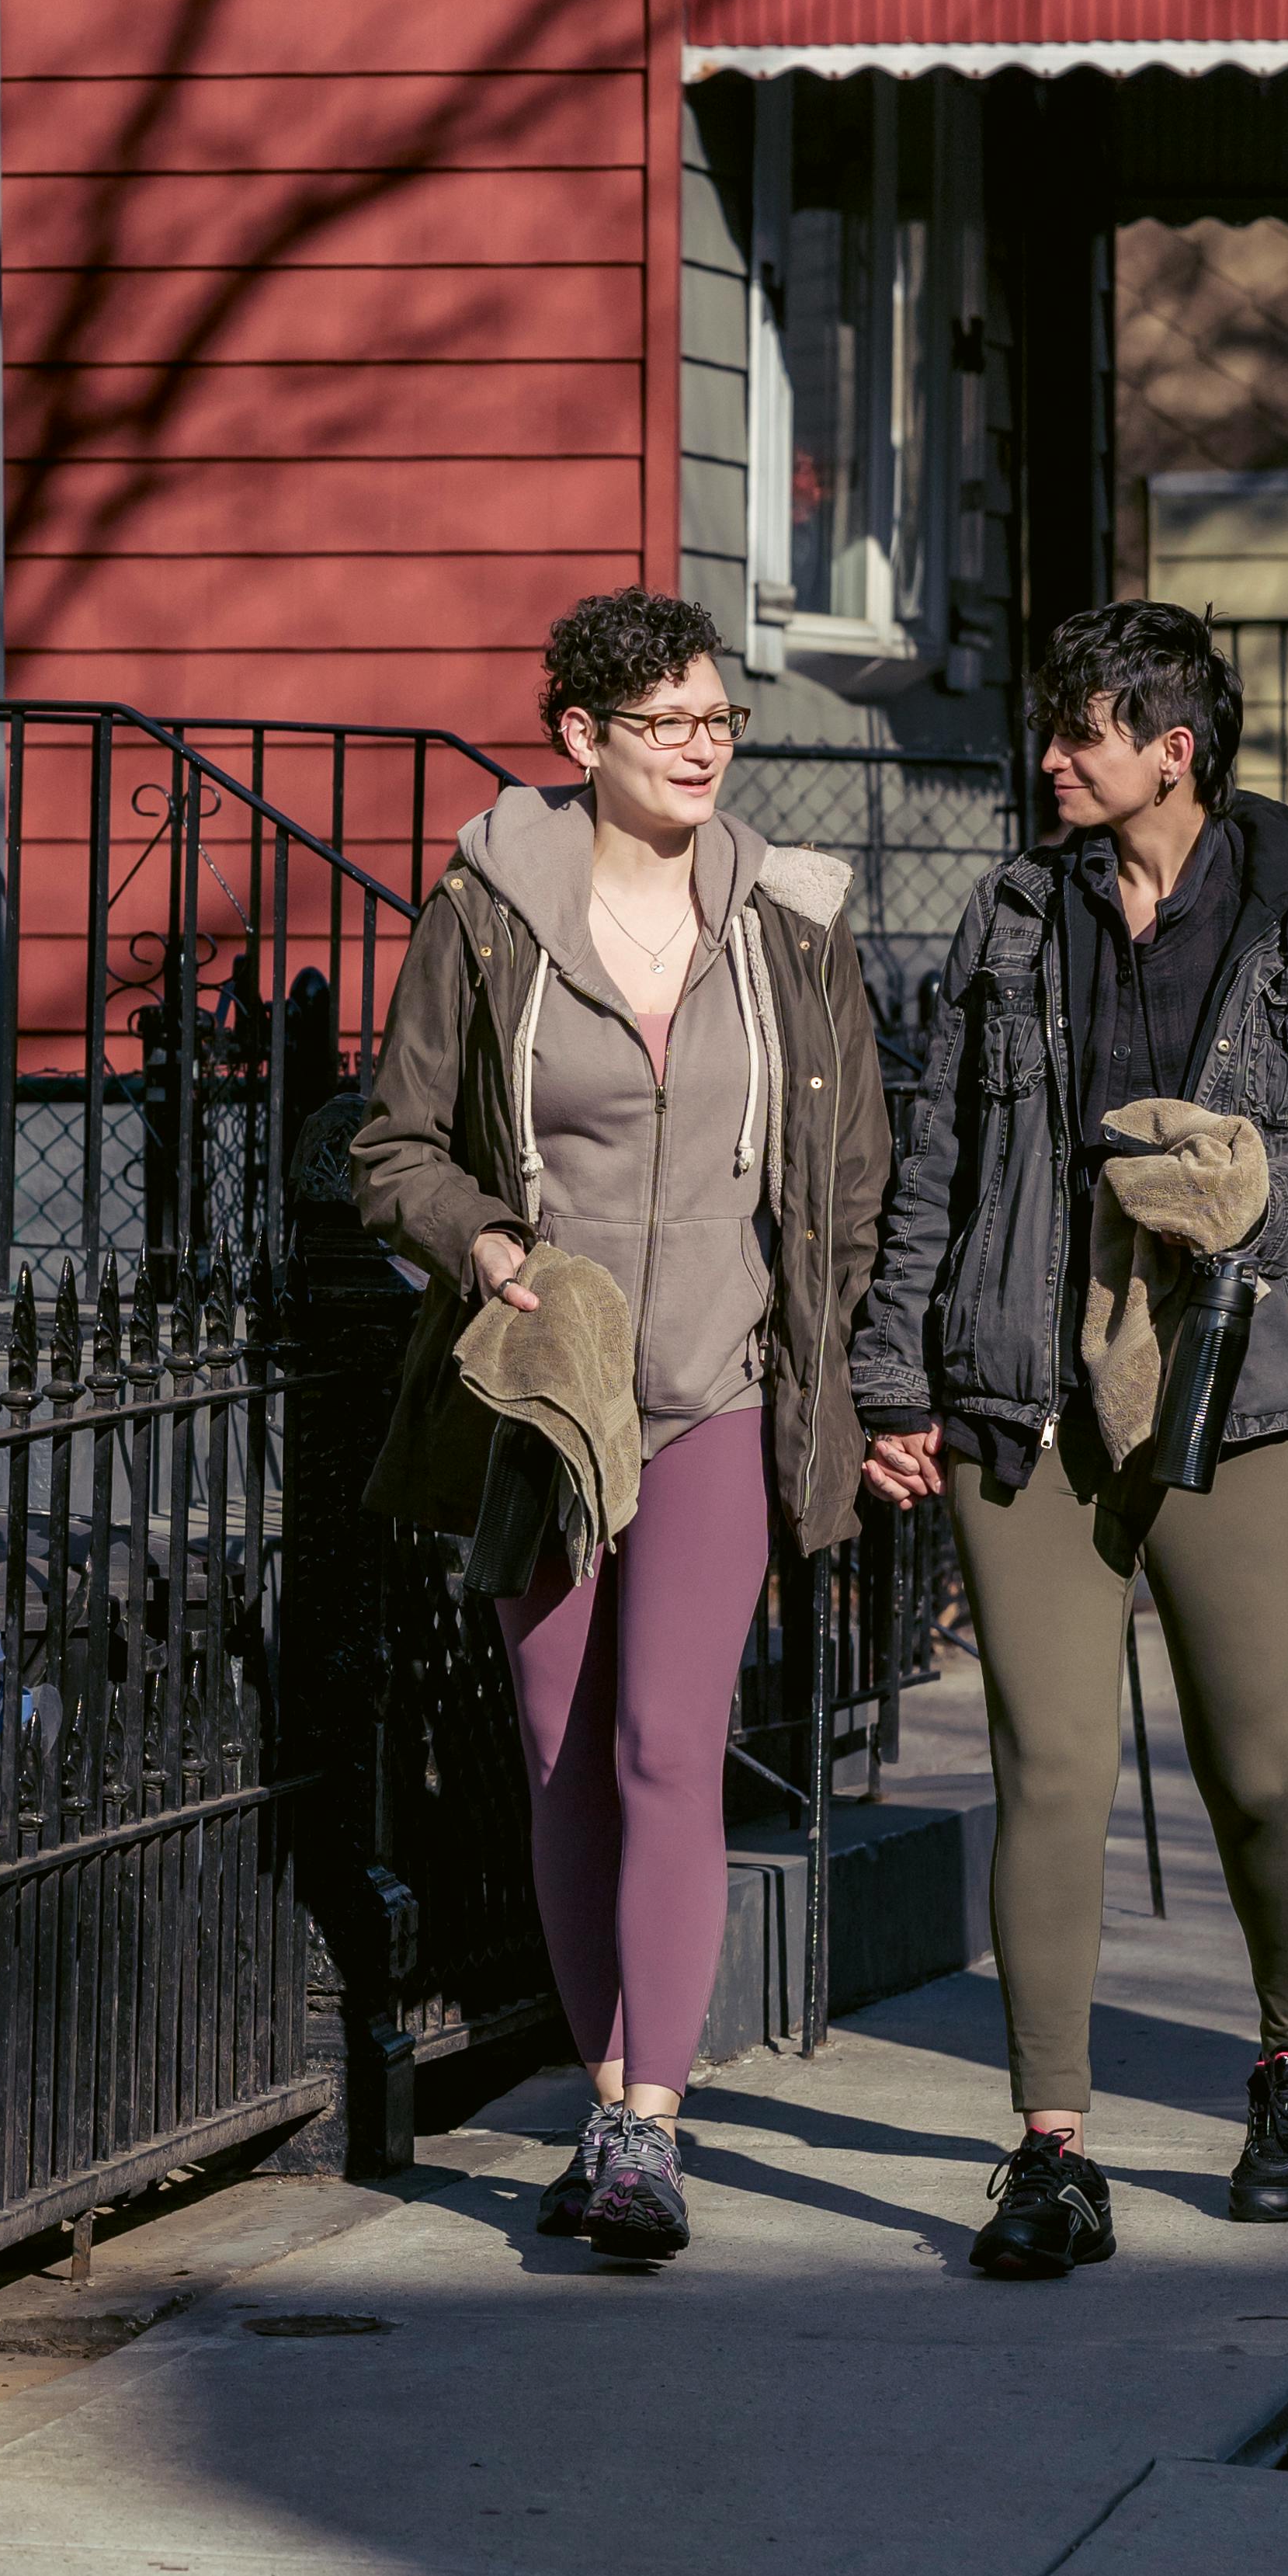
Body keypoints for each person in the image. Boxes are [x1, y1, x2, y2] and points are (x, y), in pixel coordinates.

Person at [855, 601, 1288, 2281]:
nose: (1050, 757)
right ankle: (1050, 2149)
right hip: (1020, 1381)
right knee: (1049, 1772)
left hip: (1234, 1386)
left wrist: (1256, 1199)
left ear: (1170, 747)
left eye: (1081, 731)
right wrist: (898, 1377)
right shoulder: (1013, 911)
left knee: (1255, 1768)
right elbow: (939, 1153)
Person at [352, 588, 890, 2261]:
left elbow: (849, 1177)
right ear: (581, 739)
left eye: (719, 720)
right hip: (551, 1401)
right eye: (669, 724)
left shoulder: (790, 925)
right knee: (563, 1746)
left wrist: (843, 1367)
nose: (704, 748)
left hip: (723, 1395)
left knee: (669, 1741)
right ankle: (606, 2094)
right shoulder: (490, 912)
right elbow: (393, 1148)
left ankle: (650, 2121)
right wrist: (489, 1244)